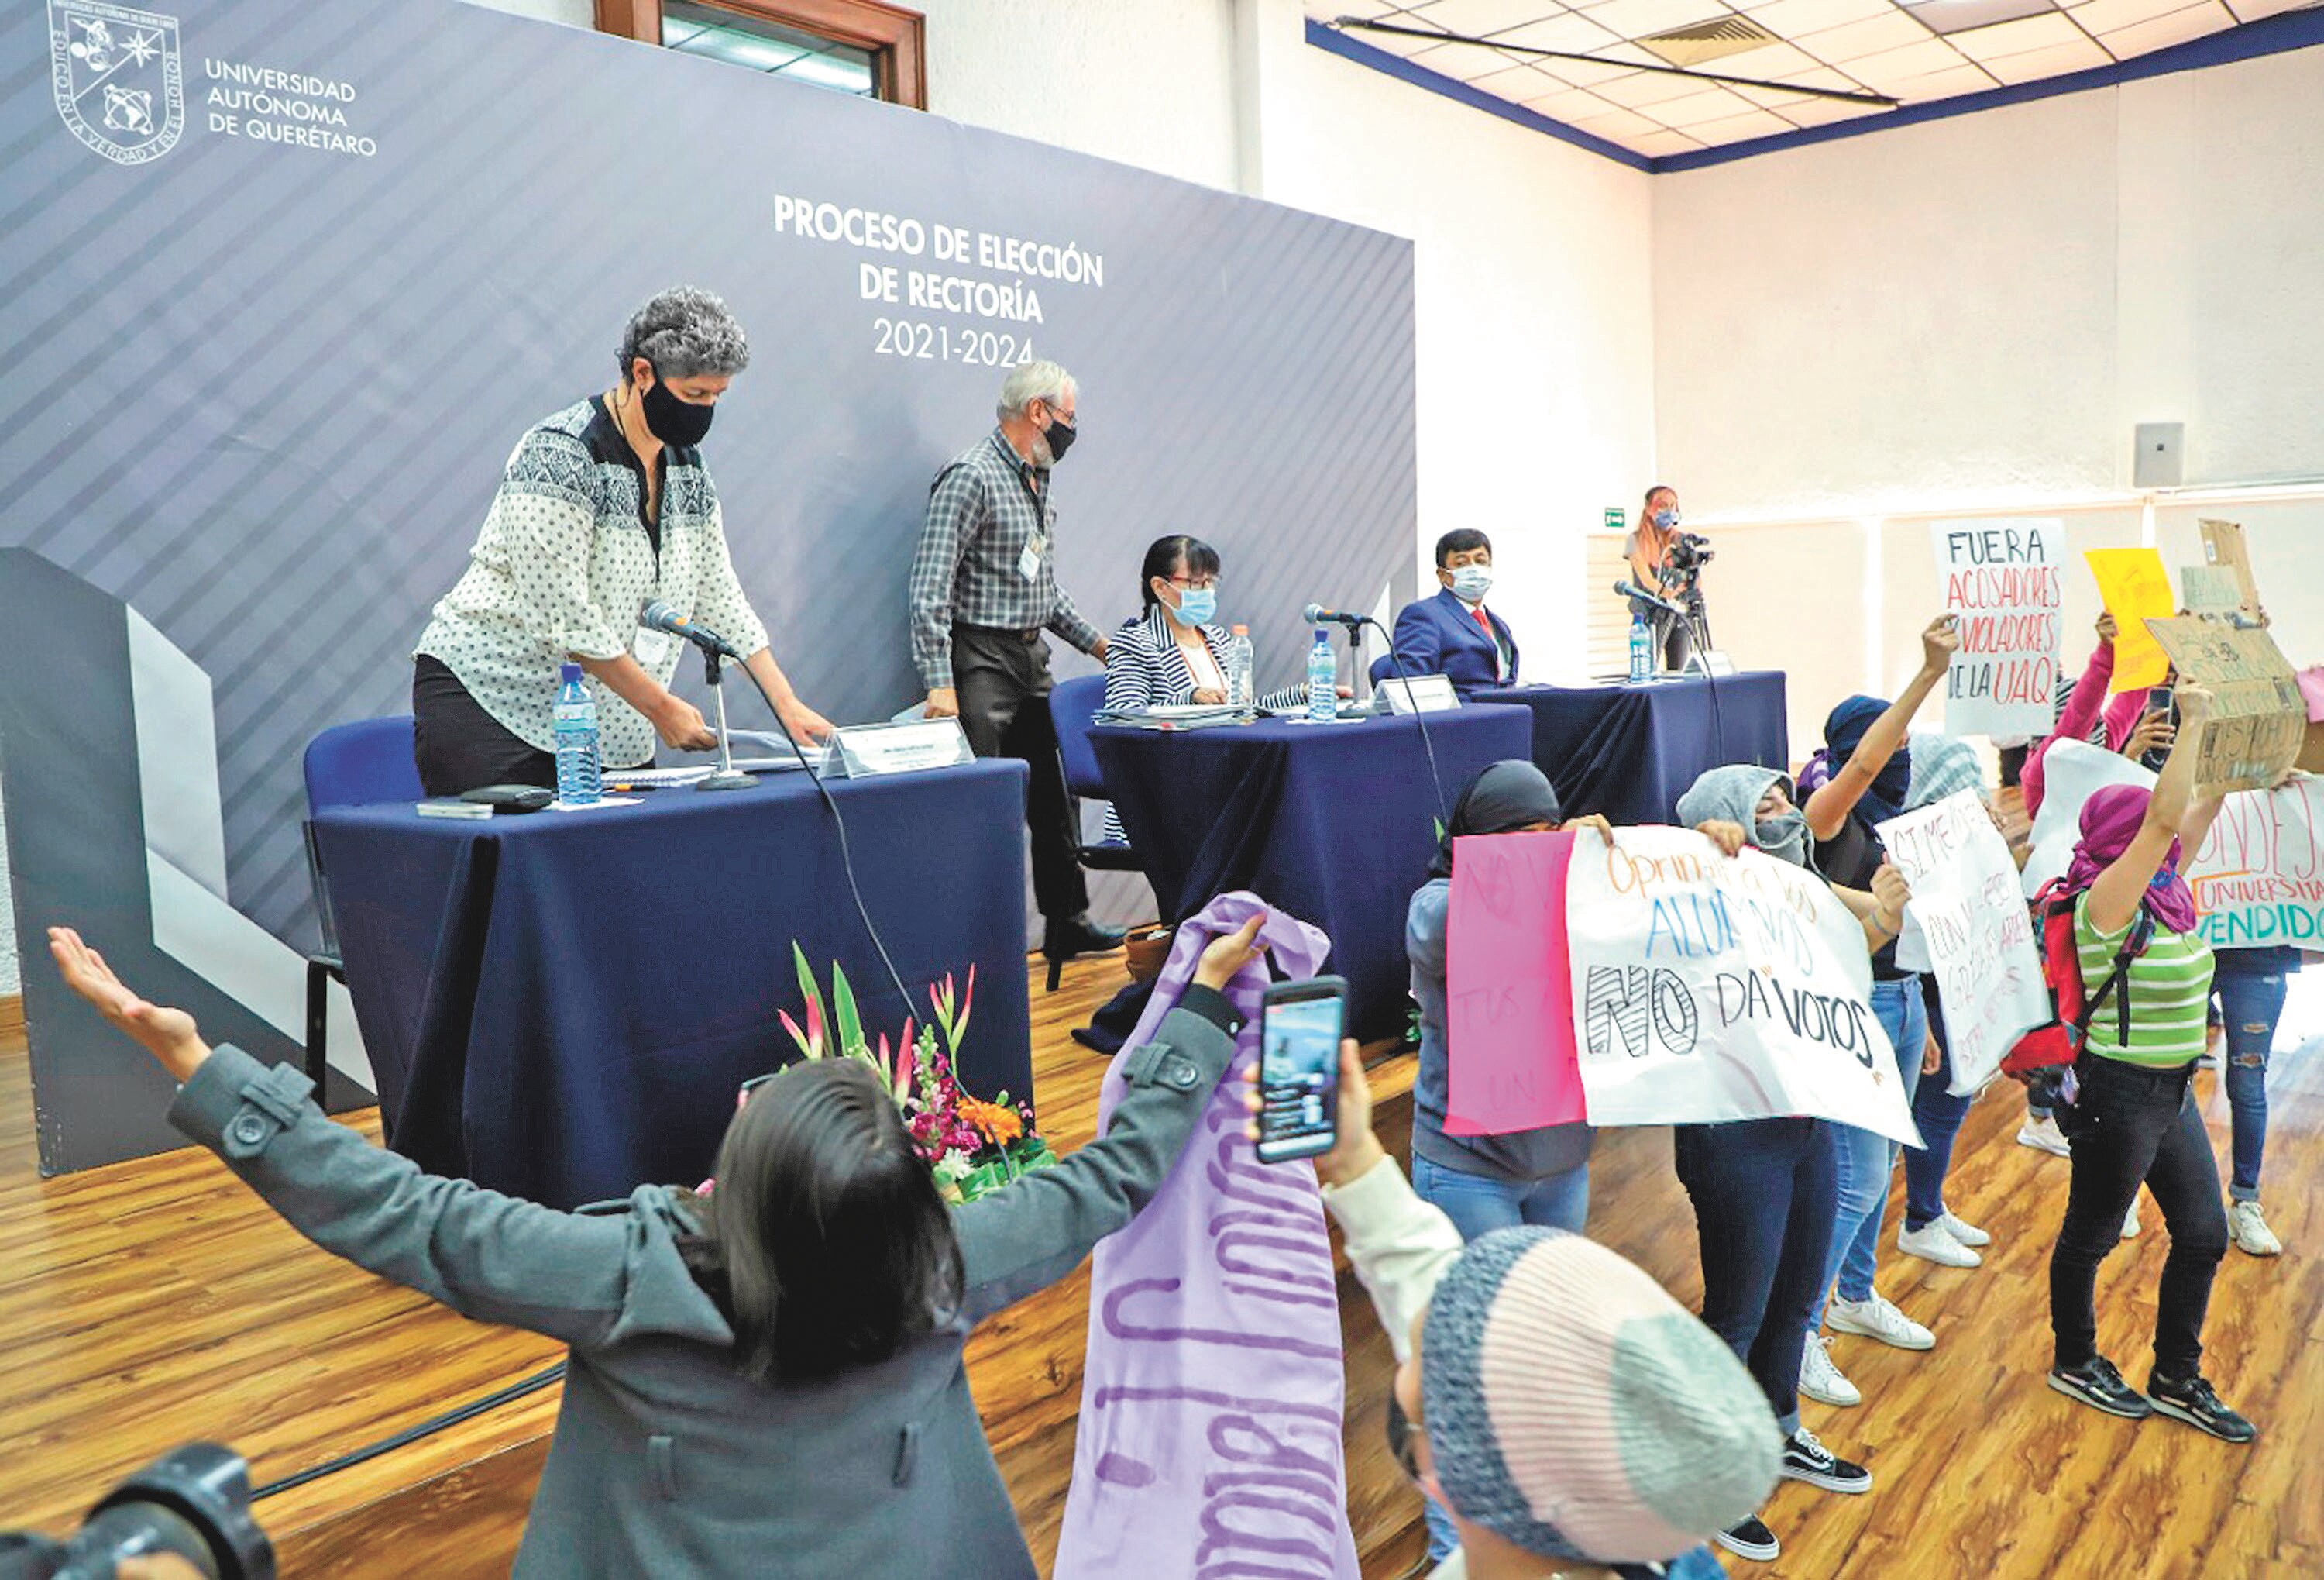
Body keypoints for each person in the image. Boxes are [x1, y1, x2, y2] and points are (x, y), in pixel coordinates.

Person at [46, 914, 1270, 1578]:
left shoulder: (619, 1276)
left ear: (733, 1173)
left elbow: (401, 1213)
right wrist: (1207, 1001)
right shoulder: (955, 1260)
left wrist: (200, 1068)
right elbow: (1119, 1170)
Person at [1310, 1040, 1779, 1579]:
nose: (1431, 1313)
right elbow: (1432, 1284)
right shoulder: (1633, 1532)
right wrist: (1355, 1160)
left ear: (1450, 1467)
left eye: (1430, 1353)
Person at [411, 287, 830, 797]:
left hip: (611, 722)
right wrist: (659, 706)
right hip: (498, 703)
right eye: (696, 395)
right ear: (642, 373)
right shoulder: (562, 452)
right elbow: (562, 610)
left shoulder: (689, 472)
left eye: (718, 396)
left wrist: (785, 703)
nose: (707, 410)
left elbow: (718, 594)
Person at [1675, 765, 1888, 1561]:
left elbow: (1842, 957)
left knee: (1797, 1297)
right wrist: (1698, 854)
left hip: (1804, 1121)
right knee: (1739, 1308)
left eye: (1780, 794)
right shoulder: (1688, 882)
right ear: (1720, 815)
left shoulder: (1799, 885)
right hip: (1732, 1130)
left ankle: (1779, 1427)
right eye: (1756, 800)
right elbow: (1653, 907)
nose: (1779, 807)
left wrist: (1886, 914)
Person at [1404, 759, 1611, 1563]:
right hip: (1468, 1169)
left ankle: (1528, 1527)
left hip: (1563, 1161)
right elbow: (1462, 916)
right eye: (1517, 837)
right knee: (1469, 1363)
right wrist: (1558, 862)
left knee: (1544, 1348)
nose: (1537, 848)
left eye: (1546, 831)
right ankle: (1453, 1550)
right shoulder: (1436, 907)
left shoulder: (1580, 888)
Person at [2036, 690, 2254, 1444]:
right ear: (2124, 842)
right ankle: (2074, 1357)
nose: (2163, 845)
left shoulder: (2166, 887)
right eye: (2148, 838)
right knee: (2090, 1236)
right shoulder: (2108, 900)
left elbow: (2190, 814)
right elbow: (2165, 818)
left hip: (2173, 1088)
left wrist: (2230, 755)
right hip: (2117, 1093)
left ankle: (2175, 1375)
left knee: (2203, 1233)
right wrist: (2193, 720)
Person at [909, 361, 1121, 971]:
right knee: (984, 805)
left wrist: (1099, 643)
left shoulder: (1035, 478)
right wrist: (938, 680)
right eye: (1068, 417)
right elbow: (930, 586)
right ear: (1038, 412)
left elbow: (1042, 589)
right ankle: (980, 941)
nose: (1071, 430)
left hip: (1031, 657)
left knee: (1054, 799)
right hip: (979, 660)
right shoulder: (970, 476)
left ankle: (1068, 921)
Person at [1797, 615, 1958, 1381]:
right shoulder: (1831, 817)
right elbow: (1862, 763)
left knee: (1884, 1162)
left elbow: (1916, 923)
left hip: (1900, 998)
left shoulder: (1902, 818)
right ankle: (1795, 1329)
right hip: (1852, 1007)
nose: (1902, 752)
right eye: (1891, 741)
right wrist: (1925, 676)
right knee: (1856, 1175)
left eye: (1905, 743)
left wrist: (1922, 1009)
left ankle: (1854, 1295)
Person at [1098, 535, 1318, 842]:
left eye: (1211, 583)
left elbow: (1241, 710)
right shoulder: (1135, 642)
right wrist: (1190, 698)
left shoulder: (1219, 639)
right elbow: (1126, 718)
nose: (1207, 592)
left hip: (1221, 780)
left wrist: (1304, 694)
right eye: (1196, 584)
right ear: (1160, 587)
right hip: (1163, 791)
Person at [1889, 734, 1996, 1272]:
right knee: (1939, 1102)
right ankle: (1920, 1219)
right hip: (1925, 990)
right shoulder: (1903, 846)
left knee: (1951, 1102)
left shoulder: (1958, 838)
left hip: (1955, 986)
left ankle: (1928, 1205)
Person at [1380, 529, 1519, 697]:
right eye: (1461, 564)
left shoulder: (1497, 624)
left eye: (1481, 561)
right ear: (1443, 575)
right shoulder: (1423, 615)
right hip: (1459, 717)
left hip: (1508, 715)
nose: (1474, 569)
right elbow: (1412, 687)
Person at [1624, 486, 1691, 672]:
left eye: (1672, 506)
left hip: (1677, 614)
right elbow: (1646, 579)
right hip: (1649, 615)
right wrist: (1668, 593)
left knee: (1679, 671)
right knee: (1647, 668)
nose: (1669, 511)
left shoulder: (1681, 541)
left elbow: (1692, 575)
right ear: (1649, 509)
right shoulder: (1635, 540)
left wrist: (1687, 593)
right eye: (1662, 506)